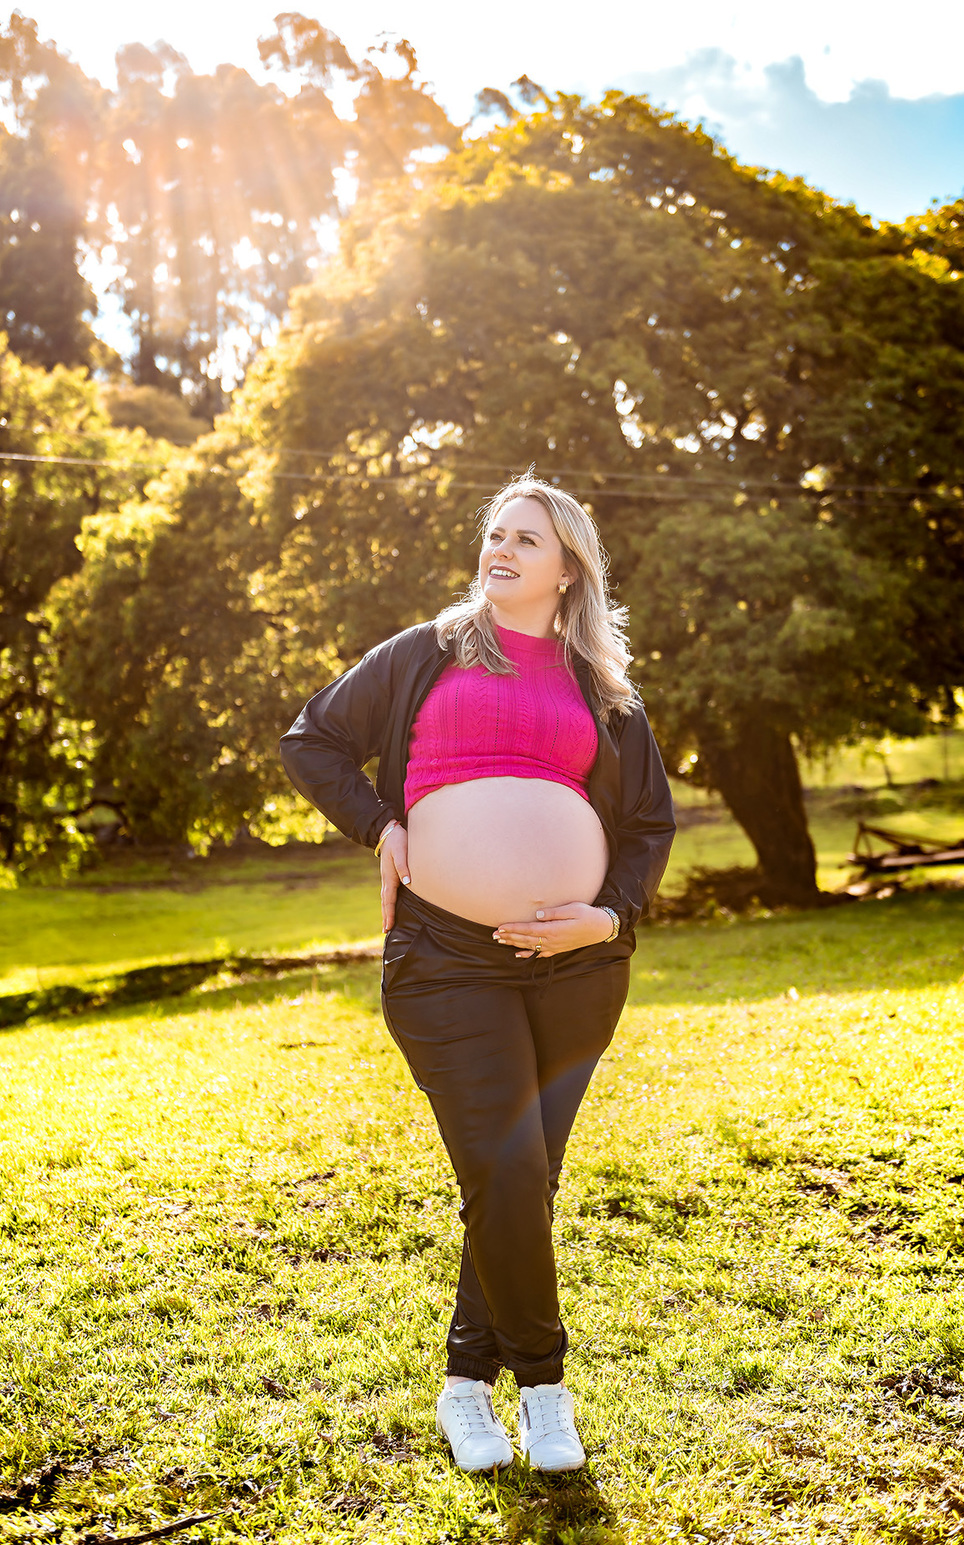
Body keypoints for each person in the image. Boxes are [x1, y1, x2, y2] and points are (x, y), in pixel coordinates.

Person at [280, 476, 676, 1475]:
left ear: (569, 567)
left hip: (575, 969)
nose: (500, 548)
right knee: (506, 1168)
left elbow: (648, 825)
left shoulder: (604, 689)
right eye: (494, 533)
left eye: (525, 539)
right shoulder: (429, 651)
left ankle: (464, 1385)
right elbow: (311, 740)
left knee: (521, 1178)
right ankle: (543, 1389)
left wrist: (607, 915)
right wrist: (380, 824)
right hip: (445, 959)